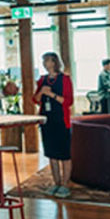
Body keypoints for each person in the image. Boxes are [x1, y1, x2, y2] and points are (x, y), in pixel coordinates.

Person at [35, 52, 73, 197]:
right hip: (47, 121)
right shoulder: (42, 79)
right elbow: (35, 99)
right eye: (43, 61)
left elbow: (69, 101)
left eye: (47, 61)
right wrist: (42, 93)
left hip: (61, 121)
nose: (45, 64)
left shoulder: (65, 79)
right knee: (52, 154)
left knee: (64, 154)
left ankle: (65, 185)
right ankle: (56, 183)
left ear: (54, 62)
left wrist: (52, 95)